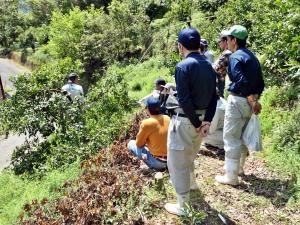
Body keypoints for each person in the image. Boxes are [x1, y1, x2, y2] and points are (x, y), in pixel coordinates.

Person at [164, 28, 217, 215]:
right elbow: (214, 97)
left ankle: (183, 206)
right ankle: (192, 183)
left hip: (187, 121)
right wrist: (206, 122)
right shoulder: (210, 65)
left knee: (177, 161)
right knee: (190, 154)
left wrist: (196, 123)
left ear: (180, 46)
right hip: (202, 119)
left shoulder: (182, 66)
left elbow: (185, 101)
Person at [215, 25, 264, 186]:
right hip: (251, 102)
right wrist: (255, 99)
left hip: (239, 100)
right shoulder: (252, 56)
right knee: (241, 137)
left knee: (230, 138)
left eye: (228, 39)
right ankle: (239, 169)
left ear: (234, 40)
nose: (226, 42)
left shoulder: (235, 57)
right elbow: (261, 82)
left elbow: (240, 79)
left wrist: (251, 99)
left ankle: (231, 177)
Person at [127, 97, 170, 170]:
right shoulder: (167, 118)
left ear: (148, 109)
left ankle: (146, 164)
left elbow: (139, 144)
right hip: (171, 160)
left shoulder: (146, 123)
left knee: (131, 143)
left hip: (158, 163)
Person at [213, 31, 232, 97]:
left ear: (225, 41)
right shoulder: (226, 52)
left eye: (219, 41)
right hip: (220, 80)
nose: (219, 44)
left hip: (219, 80)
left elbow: (217, 68)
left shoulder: (227, 53)